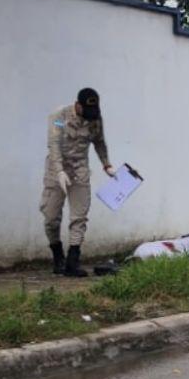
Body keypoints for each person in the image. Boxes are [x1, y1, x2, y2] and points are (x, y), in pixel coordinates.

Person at [41, 88, 114, 277]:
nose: (90, 117)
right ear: (78, 105)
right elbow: (54, 144)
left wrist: (106, 165)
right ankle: (58, 256)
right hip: (56, 170)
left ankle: (73, 261)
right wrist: (59, 172)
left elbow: (99, 142)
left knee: (79, 217)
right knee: (50, 217)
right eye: (86, 111)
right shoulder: (59, 116)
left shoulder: (95, 118)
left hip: (79, 169)